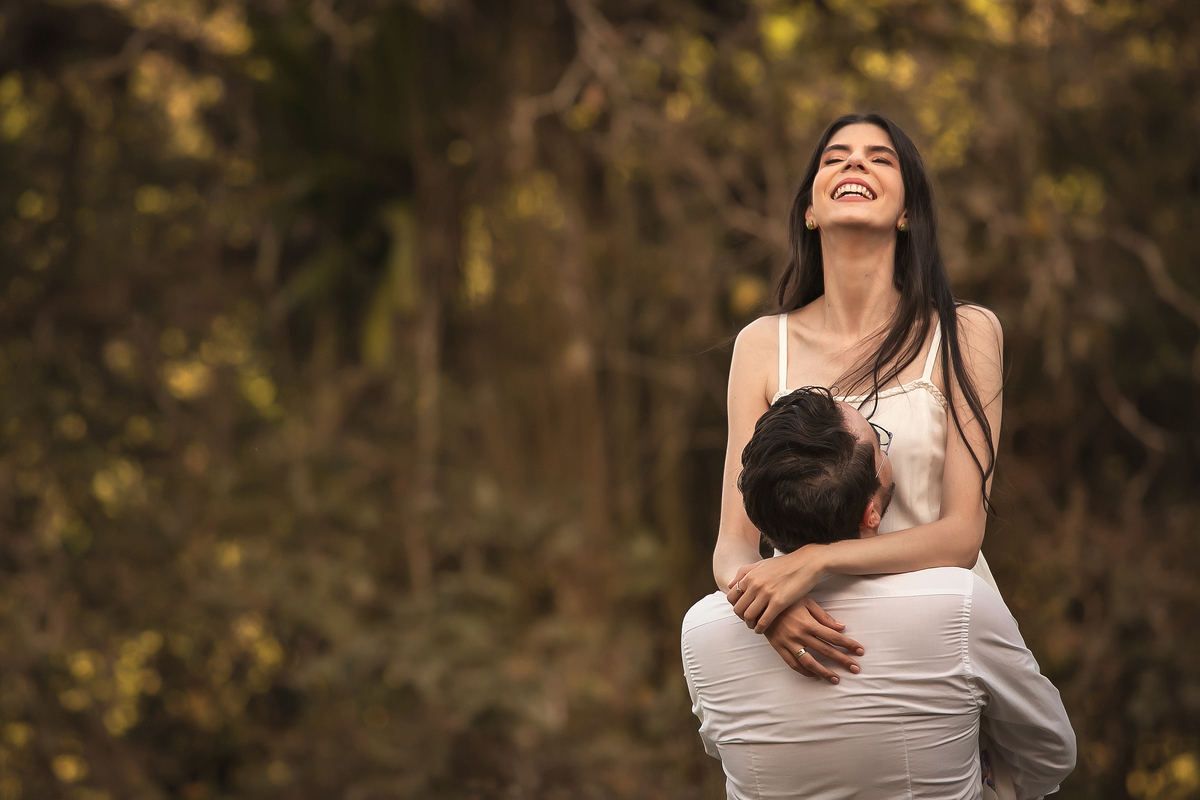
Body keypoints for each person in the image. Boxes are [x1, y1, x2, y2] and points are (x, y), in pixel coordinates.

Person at [714, 112, 1007, 684]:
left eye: (880, 157)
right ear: (809, 209)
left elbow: (962, 534)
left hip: (936, 635)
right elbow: (732, 545)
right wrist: (766, 608)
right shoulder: (759, 345)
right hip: (809, 639)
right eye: (834, 156)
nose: (854, 161)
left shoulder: (965, 333)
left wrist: (814, 560)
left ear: (905, 213)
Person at [682, 388, 1076, 800]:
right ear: (871, 512)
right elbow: (1051, 753)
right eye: (880, 441)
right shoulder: (958, 605)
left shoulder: (701, 633)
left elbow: (721, 748)